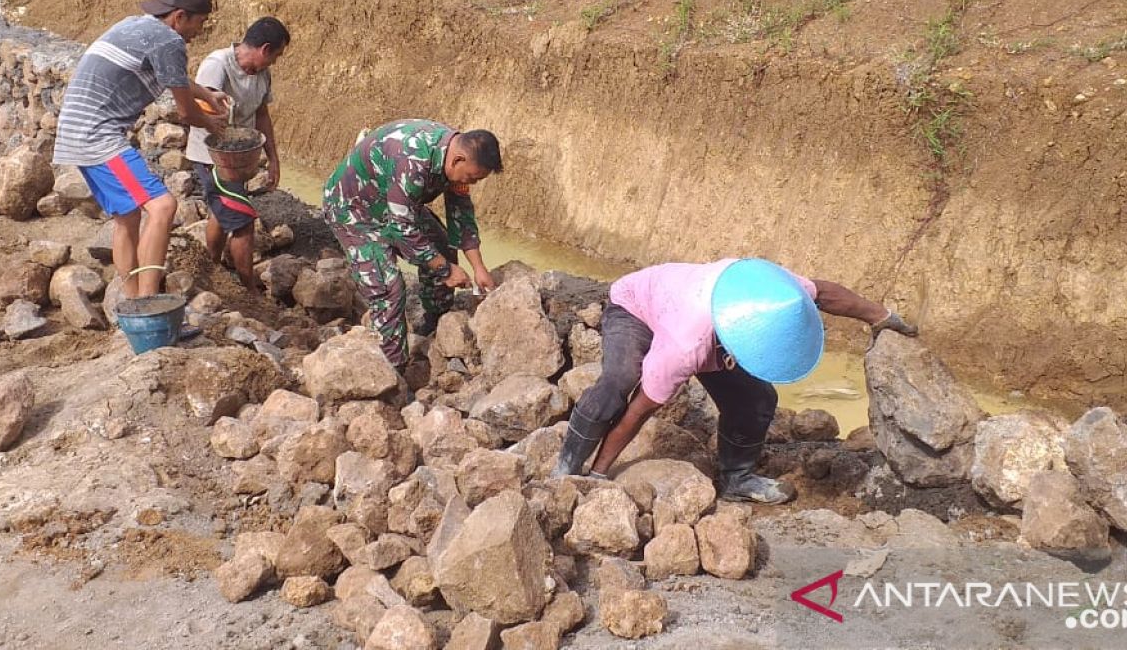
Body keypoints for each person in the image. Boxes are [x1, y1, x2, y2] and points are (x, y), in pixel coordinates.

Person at [551, 257, 918, 504]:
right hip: (636, 307)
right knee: (619, 380)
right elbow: (639, 412)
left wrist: (881, 316)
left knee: (756, 399)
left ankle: (736, 479)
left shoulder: (775, 292)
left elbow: (826, 294)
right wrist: (598, 477)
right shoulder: (686, 344)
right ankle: (569, 465)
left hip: (698, 311)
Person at [52, 0, 229, 299]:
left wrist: (206, 93)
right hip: (98, 137)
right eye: (200, 22)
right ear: (179, 16)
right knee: (163, 206)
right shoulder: (169, 42)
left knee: (128, 216)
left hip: (76, 131)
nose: (199, 31)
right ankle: (148, 304)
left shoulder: (135, 26)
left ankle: (133, 301)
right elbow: (188, 114)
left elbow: (173, 76)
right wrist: (215, 125)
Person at [322, 119, 503, 369]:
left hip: (394, 203)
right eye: (471, 178)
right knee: (389, 287)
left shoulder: (455, 158)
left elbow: (461, 213)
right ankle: (392, 367)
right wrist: (446, 270)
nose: (470, 183)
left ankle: (434, 323)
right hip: (354, 209)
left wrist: (479, 268)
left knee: (441, 247)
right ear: (458, 160)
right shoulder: (413, 159)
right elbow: (403, 229)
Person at [185, 16, 291, 295]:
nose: (275, 63)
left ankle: (212, 269)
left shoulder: (261, 74)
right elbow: (201, 107)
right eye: (276, 56)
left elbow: (262, 115)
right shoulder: (217, 65)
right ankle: (249, 291)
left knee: (221, 214)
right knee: (243, 222)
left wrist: (273, 158)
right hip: (213, 157)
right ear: (265, 49)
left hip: (240, 158)